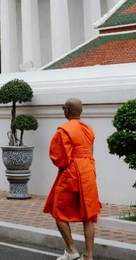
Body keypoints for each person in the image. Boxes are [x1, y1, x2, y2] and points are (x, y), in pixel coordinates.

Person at [43, 98, 101, 260]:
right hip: (88, 171)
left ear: (67, 110)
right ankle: (88, 255)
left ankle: (71, 250)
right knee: (88, 215)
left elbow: (59, 158)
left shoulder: (64, 130)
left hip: (71, 172)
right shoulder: (88, 129)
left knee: (58, 211)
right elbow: (91, 152)